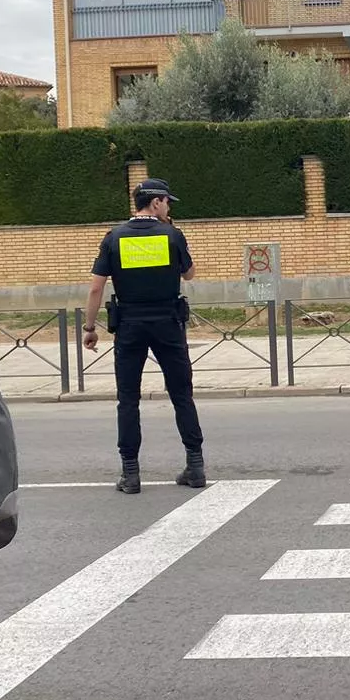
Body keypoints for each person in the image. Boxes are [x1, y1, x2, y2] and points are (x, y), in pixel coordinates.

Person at [82, 177, 206, 494]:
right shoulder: (172, 235)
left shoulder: (114, 238)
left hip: (130, 327)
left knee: (128, 400)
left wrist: (90, 327)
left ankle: (131, 474)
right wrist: (174, 235)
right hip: (168, 323)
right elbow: (189, 274)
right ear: (155, 203)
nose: (169, 207)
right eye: (167, 202)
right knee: (181, 395)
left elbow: (96, 287)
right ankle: (195, 466)